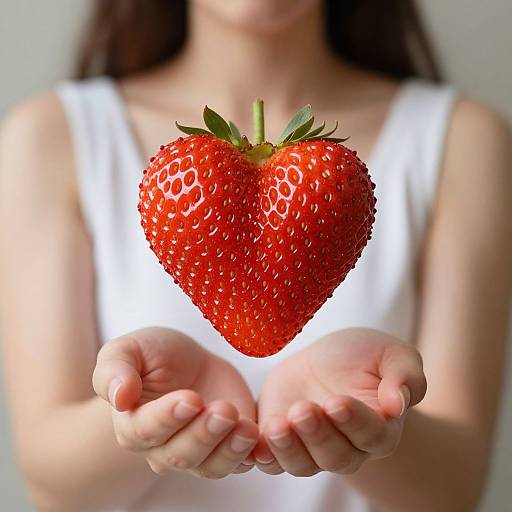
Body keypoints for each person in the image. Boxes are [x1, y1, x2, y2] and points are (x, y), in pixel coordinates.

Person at [1, 0, 511, 511]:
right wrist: (143, 411)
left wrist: (375, 418)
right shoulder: (49, 135)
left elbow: (453, 490)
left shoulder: (462, 138)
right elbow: (50, 486)